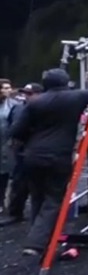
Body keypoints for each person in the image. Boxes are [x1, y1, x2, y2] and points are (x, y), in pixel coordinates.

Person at [9, 69, 88, 256]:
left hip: (32, 155)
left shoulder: (34, 103)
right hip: (59, 155)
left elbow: (17, 131)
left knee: (38, 197)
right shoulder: (75, 97)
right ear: (66, 82)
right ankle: (36, 243)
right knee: (54, 199)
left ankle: (42, 241)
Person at [0, 83, 43, 227]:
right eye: (25, 93)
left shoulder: (46, 108)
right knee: (18, 183)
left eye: (30, 94)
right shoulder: (19, 107)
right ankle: (16, 212)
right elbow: (14, 128)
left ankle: (40, 216)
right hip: (22, 150)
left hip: (39, 151)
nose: (26, 96)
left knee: (40, 186)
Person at [0, 78, 19, 215]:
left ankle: (3, 201)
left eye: (8, 88)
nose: (7, 90)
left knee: (5, 174)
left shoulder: (14, 104)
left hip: (7, 143)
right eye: (4, 88)